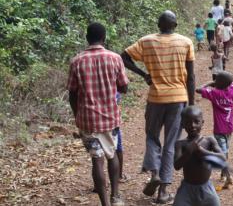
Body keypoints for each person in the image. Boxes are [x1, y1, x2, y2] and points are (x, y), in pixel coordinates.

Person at [121, 11, 195, 204]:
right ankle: (163, 192)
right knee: (171, 144)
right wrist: (192, 104)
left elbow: (124, 57)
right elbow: (191, 76)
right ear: (176, 25)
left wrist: (143, 73)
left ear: (158, 25)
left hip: (155, 99)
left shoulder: (146, 41)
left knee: (152, 138)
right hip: (178, 98)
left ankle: (154, 173)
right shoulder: (186, 42)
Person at [67, 22, 129, 206]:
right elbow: (124, 87)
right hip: (110, 118)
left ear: (87, 38)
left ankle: (105, 203)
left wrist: (77, 115)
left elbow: (72, 93)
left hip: (87, 120)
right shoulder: (115, 58)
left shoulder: (76, 61)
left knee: (97, 160)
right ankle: (116, 196)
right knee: (112, 156)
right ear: (104, 38)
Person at [172, 106, 225, 206]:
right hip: (187, 189)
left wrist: (203, 152)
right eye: (188, 122)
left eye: (196, 121)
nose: (192, 125)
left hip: (206, 187)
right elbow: (177, 166)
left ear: (202, 122)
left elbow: (222, 158)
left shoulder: (209, 141)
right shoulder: (180, 144)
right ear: (182, 124)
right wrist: (189, 151)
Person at [196, 71, 233, 188]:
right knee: (225, 151)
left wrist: (211, 82)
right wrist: (218, 83)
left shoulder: (214, 93)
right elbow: (232, 82)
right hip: (229, 128)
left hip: (219, 130)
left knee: (221, 153)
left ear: (218, 83)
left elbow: (198, 89)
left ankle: (228, 177)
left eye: (217, 80)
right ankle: (224, 174)